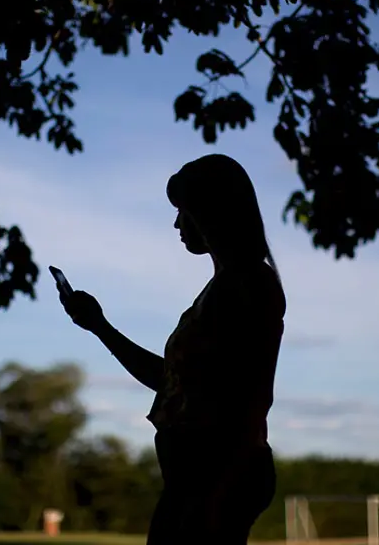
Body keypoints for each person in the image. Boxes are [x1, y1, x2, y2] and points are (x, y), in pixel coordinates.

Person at [58, 153, 286, 544]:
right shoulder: (223, 289)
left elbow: (250, 397)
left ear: (213, 213)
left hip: (214, 478)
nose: (178, 224)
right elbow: (171, 380)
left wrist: (218, 493)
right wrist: (99, 326)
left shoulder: (246, 286)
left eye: (186, 211)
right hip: (197, 480)